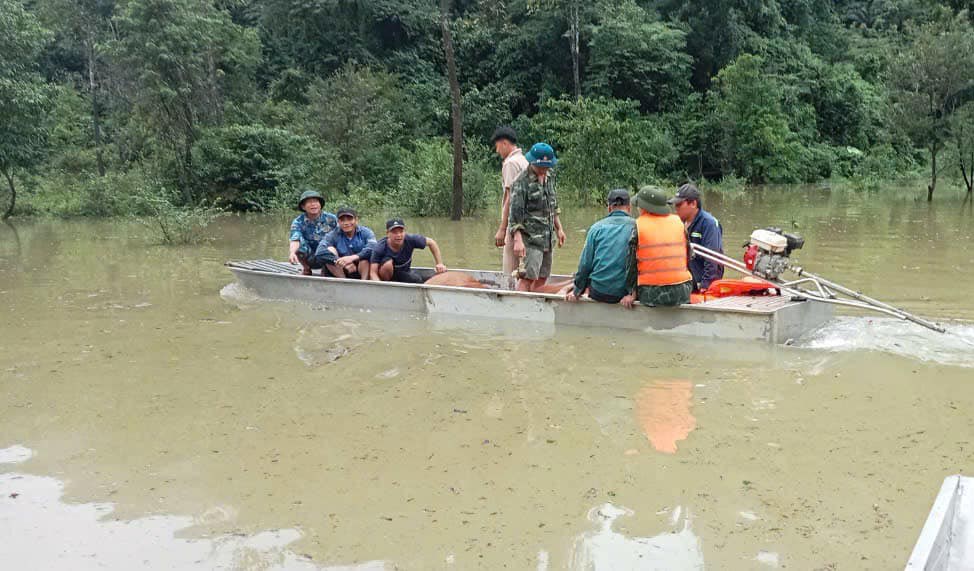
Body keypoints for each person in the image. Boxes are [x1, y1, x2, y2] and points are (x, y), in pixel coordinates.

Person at [508, 142, 567, 292]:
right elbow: (515, 216)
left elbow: (553, 206)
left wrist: (559, 228)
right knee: (527, 277)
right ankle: (519, 308)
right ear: (532, 162)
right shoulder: (521, 182)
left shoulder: (549, 177)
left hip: (547, 238)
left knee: (542, 277)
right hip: (531, 240)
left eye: (547, 167)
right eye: (541, 167)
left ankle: (536, 309)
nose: (544, 170)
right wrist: (518, 240)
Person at [565, 189, 637, 307]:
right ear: (629, 208)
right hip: (626, 293)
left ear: (609, 208)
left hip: (599, 292)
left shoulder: (596, 228)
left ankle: (584, 292)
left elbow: (585, 265)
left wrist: (577, 290)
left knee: (585, 277)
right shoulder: (637, 227)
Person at [632, 186, 694, 307]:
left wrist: (631, 293)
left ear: (644, 208)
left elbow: (631, 264)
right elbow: (688, 257)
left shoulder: (638, 225)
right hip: (682, 292)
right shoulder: (678, 222)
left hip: (652, 294)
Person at [669, 183, 724, 291]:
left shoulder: (709, 224)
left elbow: (712, 258)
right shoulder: (679, 223)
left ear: (693, 203)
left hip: (702, 282)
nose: (675, 208)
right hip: (687, 279)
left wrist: (705, 285)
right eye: (675, 205)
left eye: (679, 204)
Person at [490, 126, 529, 275]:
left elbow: (510, 197)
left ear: (504, 143)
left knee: (510, 272)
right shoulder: (524, 160)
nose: (497, 151)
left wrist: (502, 228)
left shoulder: (511, 163)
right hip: (527, 223)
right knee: (523, 269)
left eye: (497, 146)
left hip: (514, 225)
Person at [370, 218, 447, 283]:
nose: (399, 235)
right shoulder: (380, 247)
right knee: (388, 264)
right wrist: (379, 286)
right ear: (388, 234)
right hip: (386, 276)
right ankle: (390, 285)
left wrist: (439, 263)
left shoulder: (410, 239)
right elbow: (373, 272)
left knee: (419, 279)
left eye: (401, 231)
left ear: (405, 232)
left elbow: (432, 243)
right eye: (394, 232)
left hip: (405, 272)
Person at [315, 207, 377, 280]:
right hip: (341, 270)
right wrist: (340, 261)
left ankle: (364, 285)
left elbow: (373, 247)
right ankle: (343, 282)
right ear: (338, 222)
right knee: (330, 250)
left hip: (360, 268)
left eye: (349, 219)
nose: (346, 223)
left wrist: (353, 257)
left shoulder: (366, 232)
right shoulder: (333, 234)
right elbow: (319, 252)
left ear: (356, 220)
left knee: (364, 260)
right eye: (342, 220)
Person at [288, 190, 337, 276]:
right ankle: (306, 269)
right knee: (298, 245)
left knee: (333, 244)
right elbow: (295, 239)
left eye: (315, 201)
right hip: (310, 256)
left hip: (328, 255)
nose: (313, 204)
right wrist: (292, 253)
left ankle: (326, 269)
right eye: (309, 202)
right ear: (303, 207)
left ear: (320, 205)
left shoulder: (332, 219)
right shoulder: (298, 222)